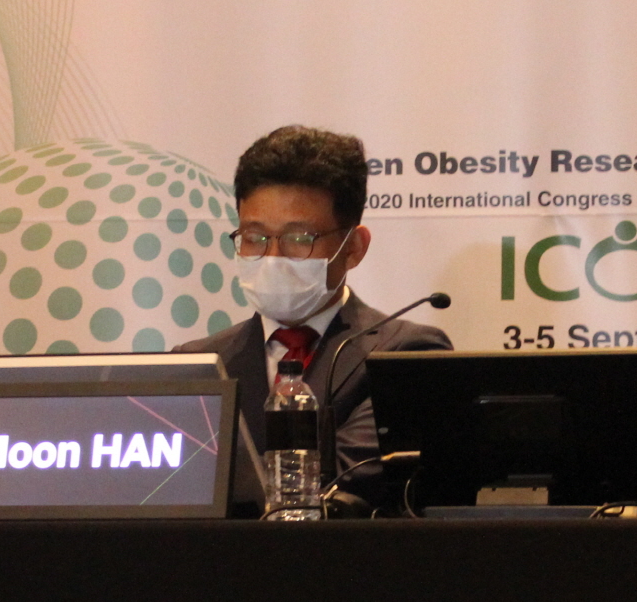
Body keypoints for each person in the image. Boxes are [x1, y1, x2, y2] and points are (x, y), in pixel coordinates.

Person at [177, 126, 452, 509]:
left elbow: (344, 475)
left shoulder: (407, 355)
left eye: (299, 239)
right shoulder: (198, 364)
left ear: (353, 247)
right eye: (254, 238)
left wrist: (216, 477)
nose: (272, 258)